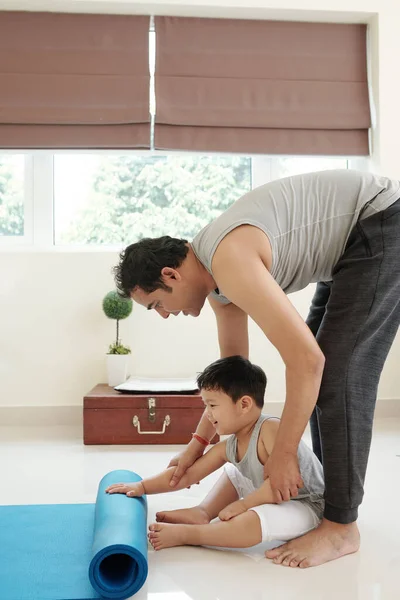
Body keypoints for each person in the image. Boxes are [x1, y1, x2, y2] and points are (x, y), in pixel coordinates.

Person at [113, 169, 400, 567]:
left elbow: (307, 362)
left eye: (157, 304)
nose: (164, 315)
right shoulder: (218, 286)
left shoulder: (227, 260)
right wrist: (196, 446)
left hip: (380, 221)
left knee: (335, 376)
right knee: (325, 374)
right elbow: (231, 381)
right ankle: (329, 503)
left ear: (170, 275)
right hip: (351, 245)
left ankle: (340, 526)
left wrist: (282, 455)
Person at [106, 356, 324, 555]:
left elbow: (278, 487)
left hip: (306, 504)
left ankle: (188, 535)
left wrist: (243, 505)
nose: (208, 414)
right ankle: (203, 512)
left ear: (244, 404)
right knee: (233, 470)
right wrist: (142, 487)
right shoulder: (230, 445)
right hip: (271, 496)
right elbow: (188, 474)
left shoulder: (270, 430)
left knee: (252, 521)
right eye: (205, 405)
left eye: (212, 405)